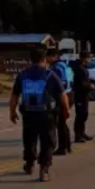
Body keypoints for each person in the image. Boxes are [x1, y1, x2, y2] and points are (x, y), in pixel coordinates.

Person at [9, 47, 70, 182]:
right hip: (46, 114)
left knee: (29, 140)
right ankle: (44, 169)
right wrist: (66, 110)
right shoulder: (50, 75)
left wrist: (12, 111)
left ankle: (30, 164)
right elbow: (62, 95)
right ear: (44, 59)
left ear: (31, 59)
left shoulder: (23, 75)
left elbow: (14, 95)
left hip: (28, 114)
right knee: (48, 142)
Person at [48, 48, 74, 155]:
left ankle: (62, 148)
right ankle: (67, 146)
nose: (46, 59)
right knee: (62, 122)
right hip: (69, 94)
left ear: (53, 56)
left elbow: (61, 83)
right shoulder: (65, 65)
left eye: (48, 56)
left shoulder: (56, 67)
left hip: (62, 96)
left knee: (60, 123)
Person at [69, 51, 94, 143]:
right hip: (79, 94)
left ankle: (82, 132)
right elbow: (81, 82)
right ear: (84, 58)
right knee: (80, 114)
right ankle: (78, 135)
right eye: (89, 58)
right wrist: (89, 86)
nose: (90, 60)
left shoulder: (83, 67)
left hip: (84, 94)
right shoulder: (78, 68)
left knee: (84, 114)